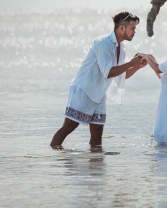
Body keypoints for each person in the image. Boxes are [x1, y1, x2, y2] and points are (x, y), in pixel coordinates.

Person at [50, 12, 148, 149]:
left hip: (99, 94)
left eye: (135, 29)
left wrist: (137, 66)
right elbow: (108, 72)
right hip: (84, 90)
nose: (134, 32)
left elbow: (120, 75)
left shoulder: (122, 47)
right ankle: (54, 158)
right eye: (132, 28)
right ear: (121, 28)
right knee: (68, 127)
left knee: (97, 134)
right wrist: (131, 63)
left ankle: (96, 167)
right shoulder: (103, 44)